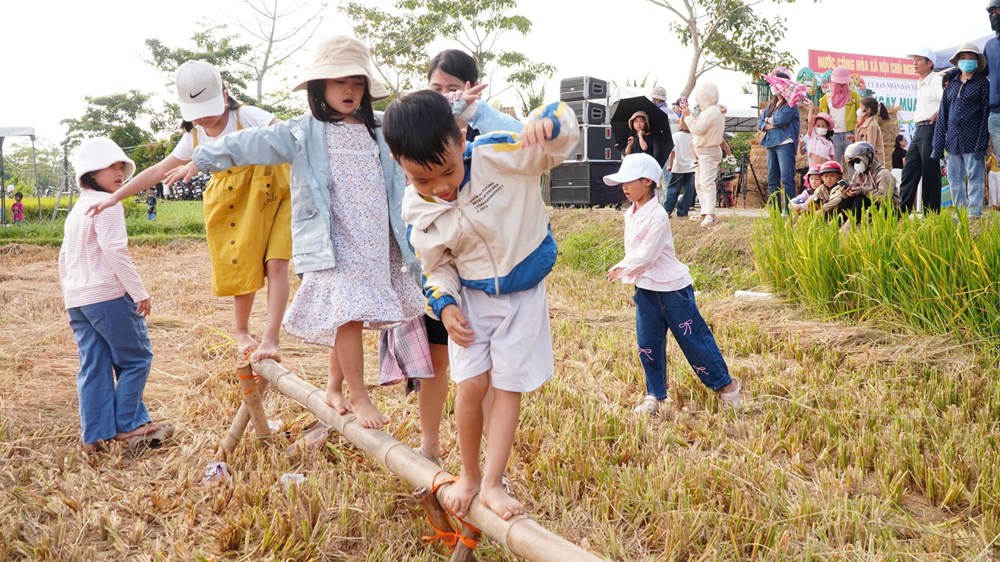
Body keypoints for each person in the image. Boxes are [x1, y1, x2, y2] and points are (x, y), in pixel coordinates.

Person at [166, 36, 426, 429]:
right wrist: (202, 157)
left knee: (347, 318)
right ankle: (359, 395)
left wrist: (461, 105)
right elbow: (250, 142)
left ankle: (335, 387)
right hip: (334, 242)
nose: (350, 90)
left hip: (375, 240)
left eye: (356, 82)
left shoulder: (381, 127)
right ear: (320, 87)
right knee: (350, 314)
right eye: (340, 82)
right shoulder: (305, 132)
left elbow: (423, 117)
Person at [384, 90, 578, 520]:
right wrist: (446, 305)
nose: (441, 188)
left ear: (459, 137)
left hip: (523, 296)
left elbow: (558, 144)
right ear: (400, 163)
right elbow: (435, 265)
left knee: (507, 387)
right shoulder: (417, 206)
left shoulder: (500, 156)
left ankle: (492, 483)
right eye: (422, 179)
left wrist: (551, 121)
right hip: (471, 300)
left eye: (448, 172)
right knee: (471, 386)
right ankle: (468, 475)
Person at [88, 60, 291, 364]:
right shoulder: (194, 138)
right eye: (196, 116)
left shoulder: (246, 116)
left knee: (277, 263)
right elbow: (158, 170)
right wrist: (115, 196)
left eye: (209, 110)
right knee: (240, 264)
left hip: (273, 194)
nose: (205, 120)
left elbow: (288, 134)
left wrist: (209, 157)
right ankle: (241, 332)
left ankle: (271, 337)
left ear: (225, 95)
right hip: (233, 202)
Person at [416, 48, 523, 463]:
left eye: (454, 90)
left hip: (483, 273)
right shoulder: (416, 133)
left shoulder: (486, 144)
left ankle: (488, 465)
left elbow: (526, 136)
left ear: (471, 90)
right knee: (435, 361)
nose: (446, 99)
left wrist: (473, 112)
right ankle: (429, 446)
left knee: (487, 375)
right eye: (436, 89)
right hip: (436, 267)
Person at [603, 153, 741, 417]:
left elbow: (649, 253)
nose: (624, 187)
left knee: (694, 341)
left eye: (628, 182)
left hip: (672, 290)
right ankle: (654, 394)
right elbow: (633, 249)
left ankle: (727, 385)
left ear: (647, 181)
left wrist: (624, 267)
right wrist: (628, 267)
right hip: (645, 289)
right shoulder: (629, 215)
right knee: (647, 344)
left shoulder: (658, 215)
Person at [60, 138, 173, 454]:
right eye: (112, 166)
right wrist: (139, 292)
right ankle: (128, 424)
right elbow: (115, 250)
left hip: (78, 299)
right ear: (91, 173)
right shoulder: (108, 205)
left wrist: (70, 293)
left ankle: (93, 436)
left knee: (93, 364)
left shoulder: (77, 209)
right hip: (107, 297)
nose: (120, 172)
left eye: (122, 166)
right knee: (136, 358)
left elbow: (64, 256)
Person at [932, 43, 990, 219]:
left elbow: (986, 114)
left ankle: (974, 212)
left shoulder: (982, 83)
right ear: (957, 61)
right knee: (954, 179)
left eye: (970, 58)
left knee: (975, 177)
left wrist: (982, 142)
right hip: (953, 140)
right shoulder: (951, 84)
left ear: (977, 61)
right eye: (963, 58)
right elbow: (942, 115)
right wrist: (938, 144)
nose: (967, 61)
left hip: (973, 138)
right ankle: (960, 210)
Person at [899, 48, 944, 214]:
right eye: (914, 59)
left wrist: (939, 112)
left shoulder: (937, 80)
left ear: (929, 63)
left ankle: (931, 214)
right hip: (919, 129)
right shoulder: (920, 82)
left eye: (918, 59)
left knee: (930, 171)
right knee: (909, 170)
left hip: (931, 128)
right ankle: (901, 212)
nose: (914, 63)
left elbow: (948, 100)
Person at [758, 70, 801, 213]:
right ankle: (776, 211)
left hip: (785, 144)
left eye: (775, 83)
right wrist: (770, 123)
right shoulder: (771, 105)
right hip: (771, 143)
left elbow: (781, 119)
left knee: (787, 178)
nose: (772, 86)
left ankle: (789, 211)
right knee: (772, 179)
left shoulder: (791, 104)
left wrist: (770, 121)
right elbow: (760, 123)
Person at [683, 82, 725, 226]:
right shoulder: (713, 111)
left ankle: (711, 214)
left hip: (708, 152)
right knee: (700, 184)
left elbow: (698, 129)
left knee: (707, 183)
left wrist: (688, 117)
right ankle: (705, 212)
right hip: (702, 153)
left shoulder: (711, 112)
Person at [837, 141, 898, 228]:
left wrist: (863, 190)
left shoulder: (883, 174)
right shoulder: (858, 174)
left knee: (861, 199)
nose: (855, 164)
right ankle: (836, 225)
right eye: (852, 162)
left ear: (868, 157)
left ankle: (848, 228)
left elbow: (884, 199)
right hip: (870, 209)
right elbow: (854, 189)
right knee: (848, 201)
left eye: (857, 161)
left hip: (888, 212)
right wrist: (847, 193)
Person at [818, 67, 862, 175]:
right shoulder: (825, 99)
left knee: (852, 164)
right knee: (835, 165)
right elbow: (822, 118)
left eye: (844, 83)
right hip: (833, 136)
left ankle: (855, 188)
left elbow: (861, 114)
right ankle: (837, 189)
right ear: (833, 82)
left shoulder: (854, 95)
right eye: (839, 83)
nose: (842, 86)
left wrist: (859, 132)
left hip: (850, 134)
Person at [663, 118, 696, 218]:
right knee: (689, 191)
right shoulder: (694, 136)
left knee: (673, 190)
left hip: (678, 167)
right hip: (691, 167)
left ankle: (667, 211)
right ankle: (683, 212)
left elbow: (672, 153)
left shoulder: (676, 136)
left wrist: (670, 165)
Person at [855, 96, 890, 166]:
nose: (858, 109)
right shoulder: (861, 124)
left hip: (872, 163)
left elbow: (870, 146)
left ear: (867, 110)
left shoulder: (871, 126)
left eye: (860, 107)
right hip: (864, 160)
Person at [986, 1, 1000, 166]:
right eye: (990, 12)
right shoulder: (990, 46)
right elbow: (978, 70)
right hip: (995, 114)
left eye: (997, 10)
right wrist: (953, 72)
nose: (993, 14)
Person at [988, 142, 1000, 210]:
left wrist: (993, 155)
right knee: (992, 189)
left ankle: (999, 204)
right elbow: (987, 165)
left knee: (999, 188)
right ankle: (994, 204)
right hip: (992, 172)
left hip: (999, 173)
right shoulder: (991, 157)